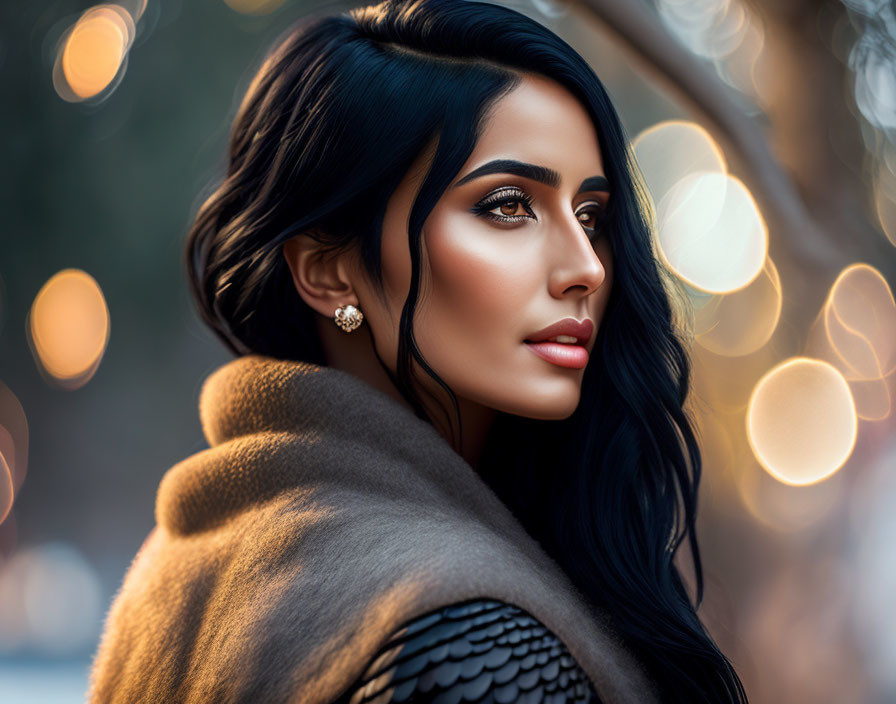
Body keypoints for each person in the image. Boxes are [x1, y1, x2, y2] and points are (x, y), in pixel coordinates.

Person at [87, 0, 748, 702]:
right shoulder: (473, 636)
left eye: (591, 215)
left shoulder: (170, 573)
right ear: (327, 271)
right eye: (507, 205)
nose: (586, 265)